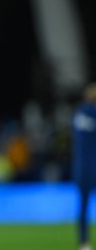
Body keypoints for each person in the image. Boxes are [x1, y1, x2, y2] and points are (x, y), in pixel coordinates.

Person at [72, 83, 96, 250]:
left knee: (83, 206)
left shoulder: (78, 114)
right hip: (93, 165)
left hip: (81, 168)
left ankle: (83, 242)